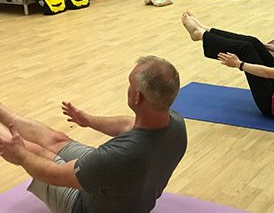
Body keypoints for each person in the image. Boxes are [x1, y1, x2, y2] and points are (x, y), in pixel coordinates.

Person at [0, 56, 187, 213]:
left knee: (35, 151)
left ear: (137, 97)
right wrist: (88, 120)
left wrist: (20, 155)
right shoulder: (175, 123)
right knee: (57, 140)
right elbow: (128, 124)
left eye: (130, 84)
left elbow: (54, 175)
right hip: (125, 189)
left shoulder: (118, 155)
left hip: (83, 207)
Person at [181, 11, 274, 118]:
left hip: (272, 105)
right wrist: (265, 46)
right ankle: (207, 30)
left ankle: (200, 34)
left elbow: (267, 73)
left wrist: (239, 64)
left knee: (246, 49)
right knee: (253, 42)